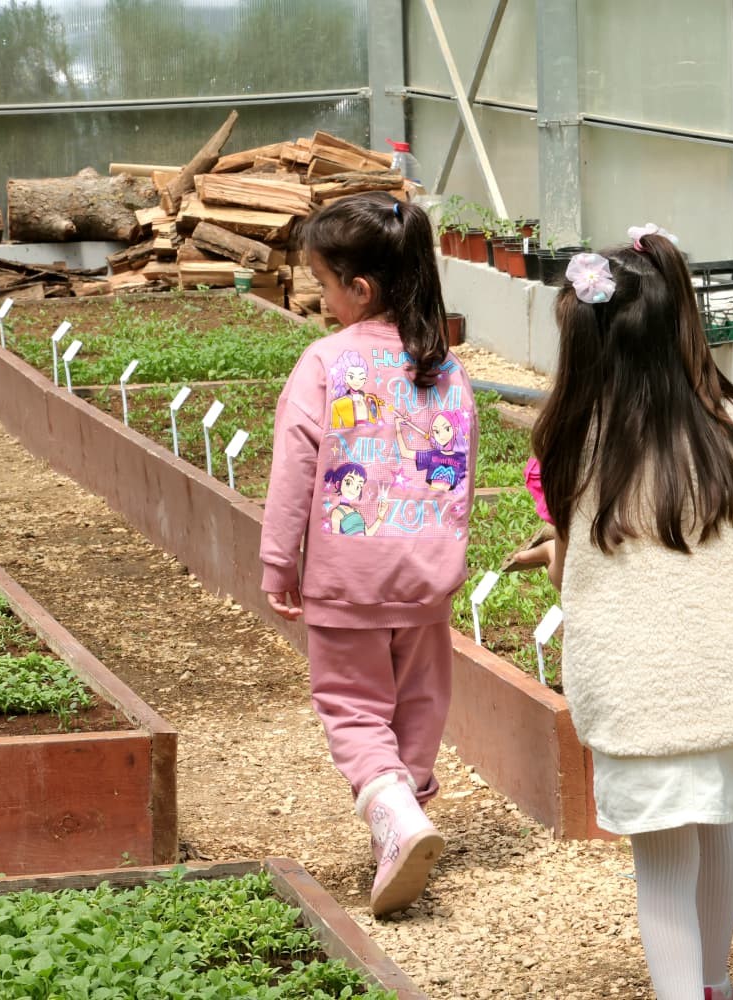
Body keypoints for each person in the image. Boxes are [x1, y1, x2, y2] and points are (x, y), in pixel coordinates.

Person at [516, 225, 733, 1000]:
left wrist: (556, 554)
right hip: (731, 690)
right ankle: (716, 986)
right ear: (681, 323)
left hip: (643, 702)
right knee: (717, 828)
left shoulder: (572, 449)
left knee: (664, 868)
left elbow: (574, 584)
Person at [260, 192, 477, 917]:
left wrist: (277, 561)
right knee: (419, 704)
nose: (320, 300)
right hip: (424, 578)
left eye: (323, 284)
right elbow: (460, 474)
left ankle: (395, 818)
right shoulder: (447, 370)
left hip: (348, 578)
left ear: (359, 289)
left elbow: (294, 466)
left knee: (352, 707)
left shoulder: (326, 362)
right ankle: (403, 816)